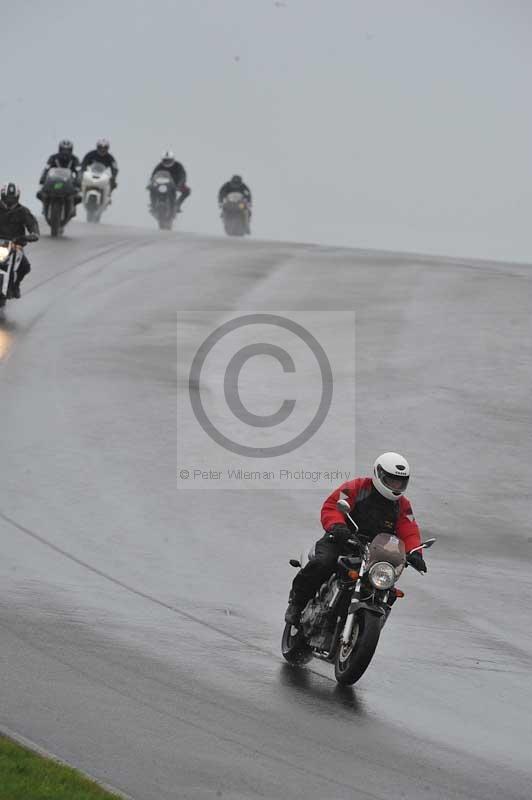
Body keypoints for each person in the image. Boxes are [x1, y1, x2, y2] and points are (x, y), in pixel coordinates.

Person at [284, 452, 426, 625]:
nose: (396, 485)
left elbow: (409, 528)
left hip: (375, 553)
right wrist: (337, 525)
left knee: (387, 588)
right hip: (342, 540)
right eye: (391, 480)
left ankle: (372, 622)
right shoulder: (357, 487)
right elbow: (332, 505)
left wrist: (415, 552)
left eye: (400, 482)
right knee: (323, 563)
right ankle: (297, 604)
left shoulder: (402, 505)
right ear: (378, 474)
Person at [0, 183, 39, 302]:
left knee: (25, 267)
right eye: (7, 198)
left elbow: (32, 224)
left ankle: (16, 285)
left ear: (17, 197)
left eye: (12, 198)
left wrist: (33, 234)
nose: (9, 201)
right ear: (2, 196)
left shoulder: (23, 211)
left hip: (15, 245)